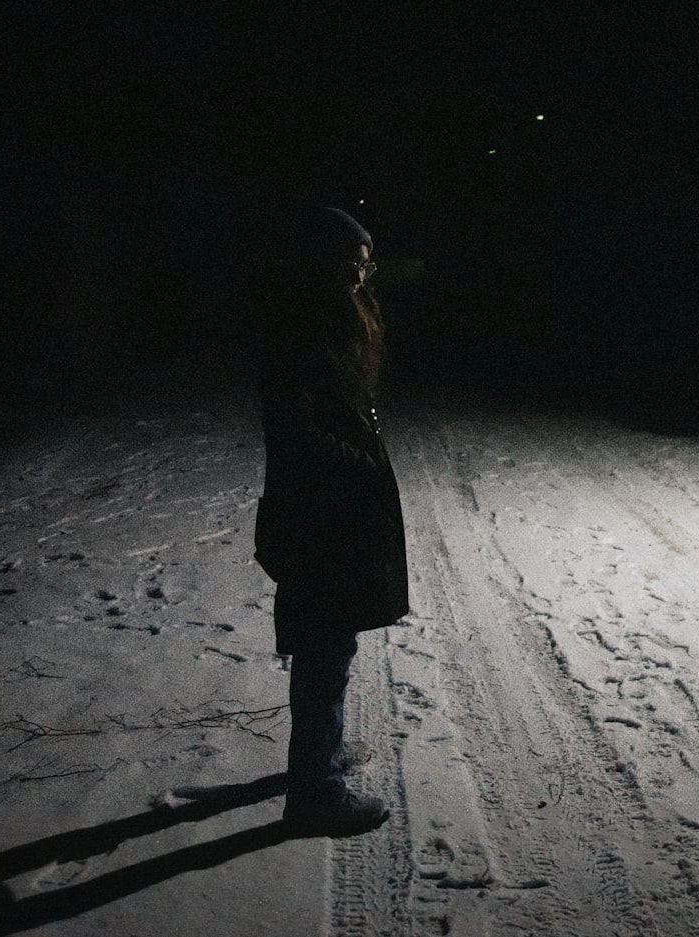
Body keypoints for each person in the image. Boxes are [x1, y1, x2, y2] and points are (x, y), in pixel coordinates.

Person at [254, 207, 409, 837]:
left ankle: (318, 758)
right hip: (319, 515)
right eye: (354, 257)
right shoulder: (299, 329)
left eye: (367, 259)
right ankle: (314, 791)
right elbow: (296, 430)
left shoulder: (328, 321)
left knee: (332, 640)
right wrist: (359, 468)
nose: (364, 270)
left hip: (333, 509)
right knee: (325, 644)